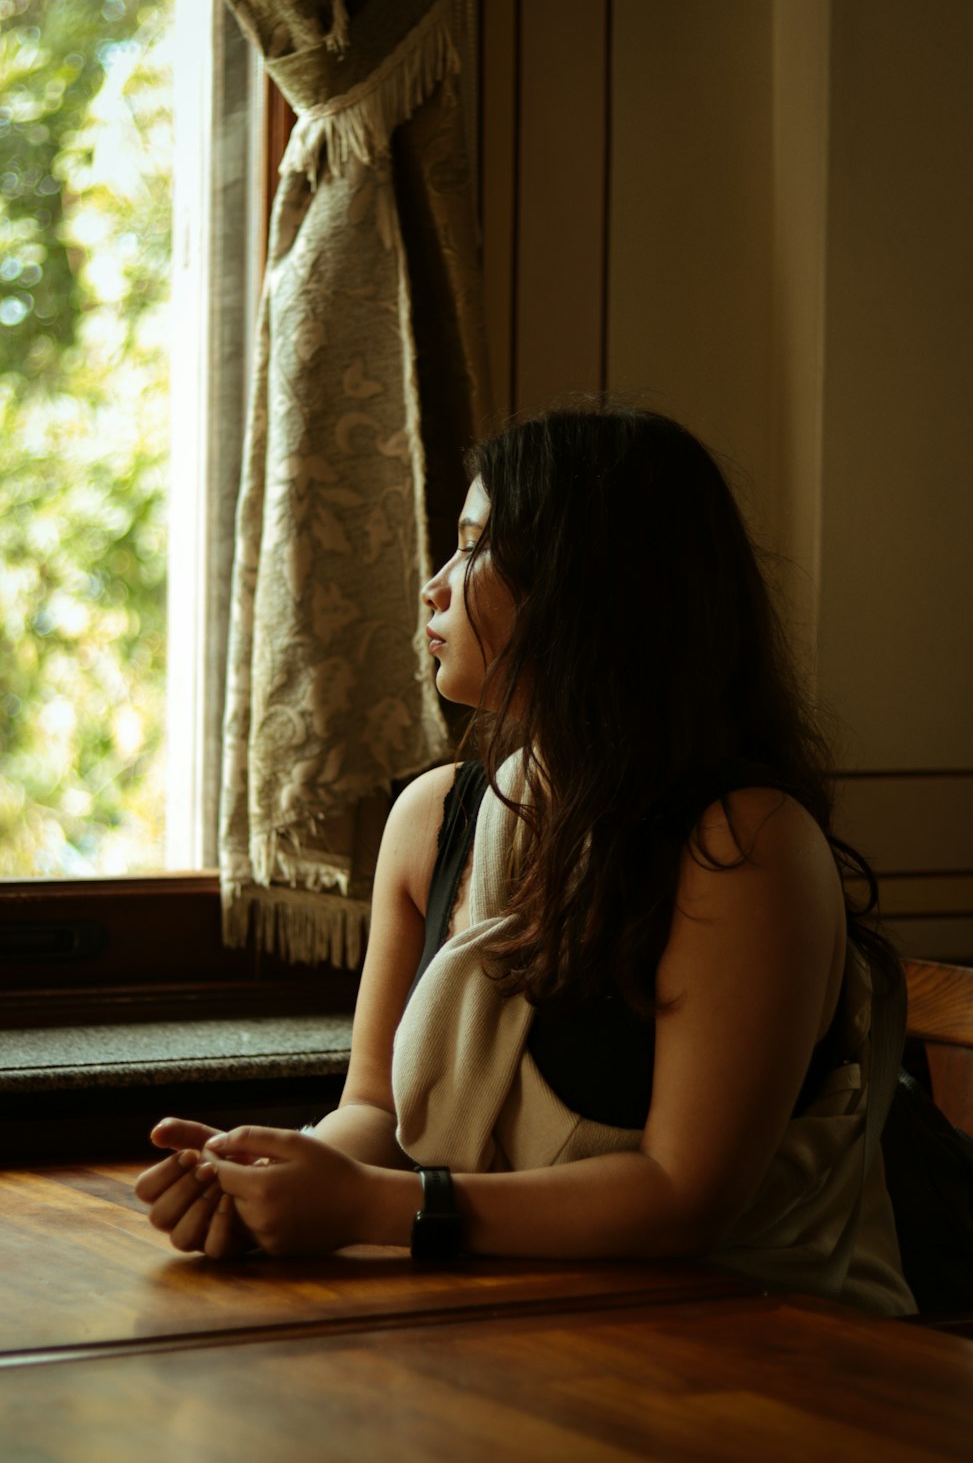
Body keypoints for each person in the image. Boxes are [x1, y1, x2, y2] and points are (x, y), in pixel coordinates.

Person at [136, 404, 914, 1314]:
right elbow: (378, 1114)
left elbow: (684, 1198)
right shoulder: (431, 822)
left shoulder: (743, 846)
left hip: (747, 1345)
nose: (434, 586)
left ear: (585, 590)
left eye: (473, 550)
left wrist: (374, 1206)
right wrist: (261, 1175)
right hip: (498, 1325)